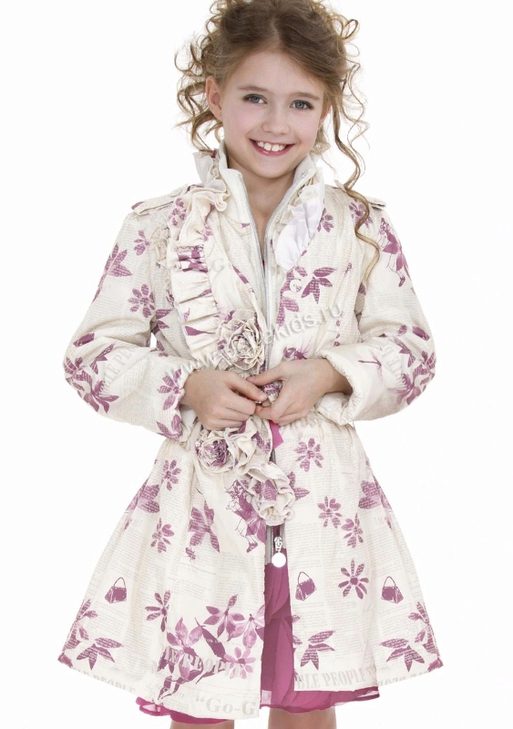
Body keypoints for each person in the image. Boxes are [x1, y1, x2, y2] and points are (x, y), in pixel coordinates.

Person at [56, 1, 444, 727]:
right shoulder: (157, 226)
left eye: (300, 103)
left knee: (307, 699)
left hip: (322, 509)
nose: (276, 123)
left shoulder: (360, 228)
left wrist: (328, 373)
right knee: (200, 703)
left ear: (327, 108)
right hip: (198, 510)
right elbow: (93, 357)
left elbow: (411, 351)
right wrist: (186, 385)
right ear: (214, 95)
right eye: (255, 97)